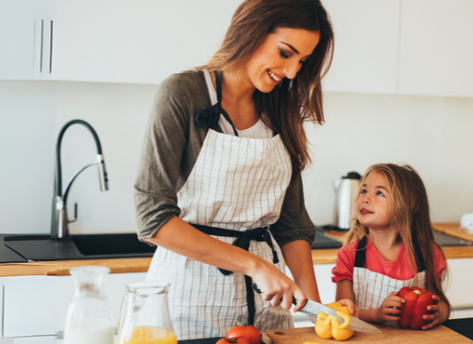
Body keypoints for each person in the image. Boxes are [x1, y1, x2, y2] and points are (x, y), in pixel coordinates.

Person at [133, 0, 334, 339]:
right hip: (188, 297)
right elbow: (152, 220)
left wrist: (319, 313)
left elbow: (292, 224)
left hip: (269, 303)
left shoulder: (281, 108)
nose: (292, 72)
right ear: (250, 30)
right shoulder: (183, 93)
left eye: (302, 61)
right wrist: (255, 266)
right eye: (286, 53)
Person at [330, 163, 451, 330]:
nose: (365, 198)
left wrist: (440, 314)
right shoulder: (349, 254)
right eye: (364, 190)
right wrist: (376, 315)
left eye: (379, 193)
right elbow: (343, 312)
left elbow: (441, 303)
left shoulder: (426, 253)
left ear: (406, 206)